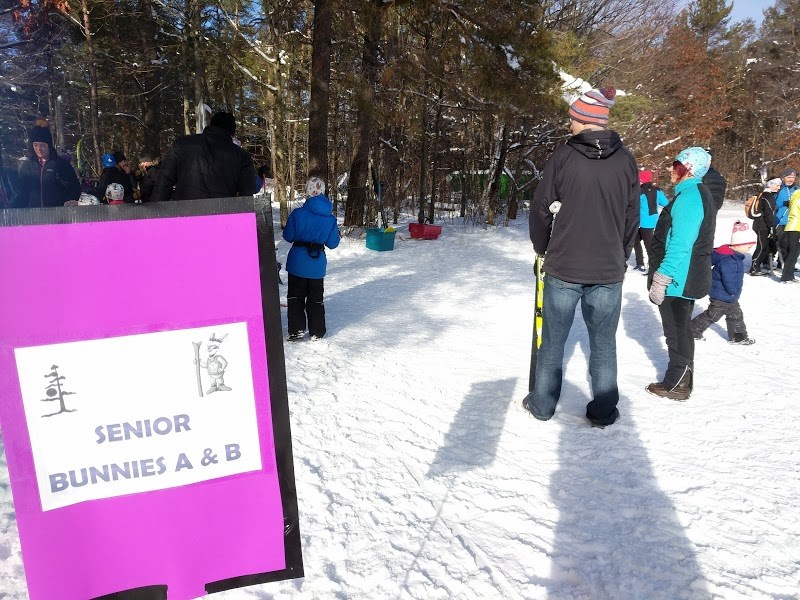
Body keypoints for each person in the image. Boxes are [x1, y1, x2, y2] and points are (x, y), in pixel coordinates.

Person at [522, 86, 639, 427]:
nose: (569, 123)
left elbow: (540, 211)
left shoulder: (563, 157)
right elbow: (632, 217)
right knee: (603, 343)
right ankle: (603, 411)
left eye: (572, 118)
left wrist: (541, 247)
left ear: (585, 120)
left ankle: (542, 404)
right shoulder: (626, 160)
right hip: (607, 269)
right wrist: (621, 253)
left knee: (553, 341)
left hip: (564, 266)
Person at [646, 147, 716, 401]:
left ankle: (677, 384)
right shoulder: (692, 193)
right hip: (683, 274)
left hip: (679, 277)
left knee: (677, 330)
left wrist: (662, 277)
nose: (669, 168)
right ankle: (680, 381)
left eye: (675, 164)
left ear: (688, 168)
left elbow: (681, 242)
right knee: (680, 328)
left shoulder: (690, 196)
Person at [151, 111, 259, 202]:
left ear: (211, 125)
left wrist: (155, 217)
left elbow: (164, 183)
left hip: (183, 215)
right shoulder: (241, 156)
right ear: (232, 133)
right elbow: (247, 195)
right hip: (221, 219)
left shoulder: (182, 144)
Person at [282, 177, 341, 341]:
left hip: (297, 263)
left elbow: (288, 236)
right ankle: (317, 332)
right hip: (317, 265)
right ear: (322, 192)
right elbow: (333, 244)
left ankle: (296, 330)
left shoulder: (298, 213)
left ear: (307, 191)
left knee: (295, 297)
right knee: (316, 299)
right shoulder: (330, 218)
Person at [691, 221, 755, 345]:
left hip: (728, 295)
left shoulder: (733, 256)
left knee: (735, 315)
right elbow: (729, 280)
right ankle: (692, 330)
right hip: (722, 295)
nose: (748, 250)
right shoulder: (729, 260)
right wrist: (734, 292)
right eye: (748, 247)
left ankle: (738, 337)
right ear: (738, 244)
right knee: (713, 315)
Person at [14, 120, 80, 208]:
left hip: (58, 215)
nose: (39, 149)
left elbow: (75, 188)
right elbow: (20, 193)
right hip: (34, 216)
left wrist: (71, 201)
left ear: (48, 145)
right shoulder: (27, 166)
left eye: (42, 145)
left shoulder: (61, 165)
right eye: (35, 145)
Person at [628, 169, 668, 273]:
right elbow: (666, 203)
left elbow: (631, 206)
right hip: (649, 223)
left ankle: (645, 266)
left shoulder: (638, 191)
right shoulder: (657, 191)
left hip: (640, 222)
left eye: (640, 179)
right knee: (647, 246)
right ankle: (645, 265)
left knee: (638, 244)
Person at [749, 178, 779, 276]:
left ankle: (758, 265)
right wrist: (771, 227)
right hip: (762, 226)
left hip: (760, 225)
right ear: (770, 185)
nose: (778, 187)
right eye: (777, 185)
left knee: (764, 246)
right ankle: (754, 268)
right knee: (762, 247)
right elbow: (769, 213)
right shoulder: (768, 196)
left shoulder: (764, 195)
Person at [774, 168, 797, 269]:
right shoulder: (779, 188)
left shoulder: (797, 189)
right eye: (789, 177)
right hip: (780, 220)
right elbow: (772, 203)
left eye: (793, 177)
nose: (791, 179)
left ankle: (786, 264)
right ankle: (771, 261)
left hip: (793, 221)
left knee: (791, 245)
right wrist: (784, 203)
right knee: (782, 243)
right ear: (784, 178)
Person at [780, 188, 800, 283]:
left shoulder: (795, 195)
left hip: (792, 226)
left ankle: (789, 275)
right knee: (793, 252)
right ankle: (786, 276)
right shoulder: (798, 197)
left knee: (794, 252)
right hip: (795, 227)